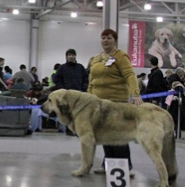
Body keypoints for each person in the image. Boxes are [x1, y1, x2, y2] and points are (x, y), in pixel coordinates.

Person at [89, 28, 142, 177]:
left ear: (115, 40)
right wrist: (89, 98)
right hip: (99, 103)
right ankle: (108, 164)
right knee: (104, 135)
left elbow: (130, 75)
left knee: (118, 135)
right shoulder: (96, 59)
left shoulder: (120, 56)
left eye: (109, 38)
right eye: (103, 37)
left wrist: (135, 94)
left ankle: (124, 166)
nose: (105, 40)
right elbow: (91, 81)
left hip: (117, 103)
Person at [51, 48, 88, 134]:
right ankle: (69, 130)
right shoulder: (62, 68)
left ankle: (78, 130)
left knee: (79, 112)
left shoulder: (80, 67)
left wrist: (84, 88)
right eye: (69, 55)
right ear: (66, 57)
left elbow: (86, 78)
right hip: (67, 95)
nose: (71, 57)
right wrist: (62, 89)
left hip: (79, 94)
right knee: (68, 112)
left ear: (75, 56)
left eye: (73, 55)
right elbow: (56, 79)